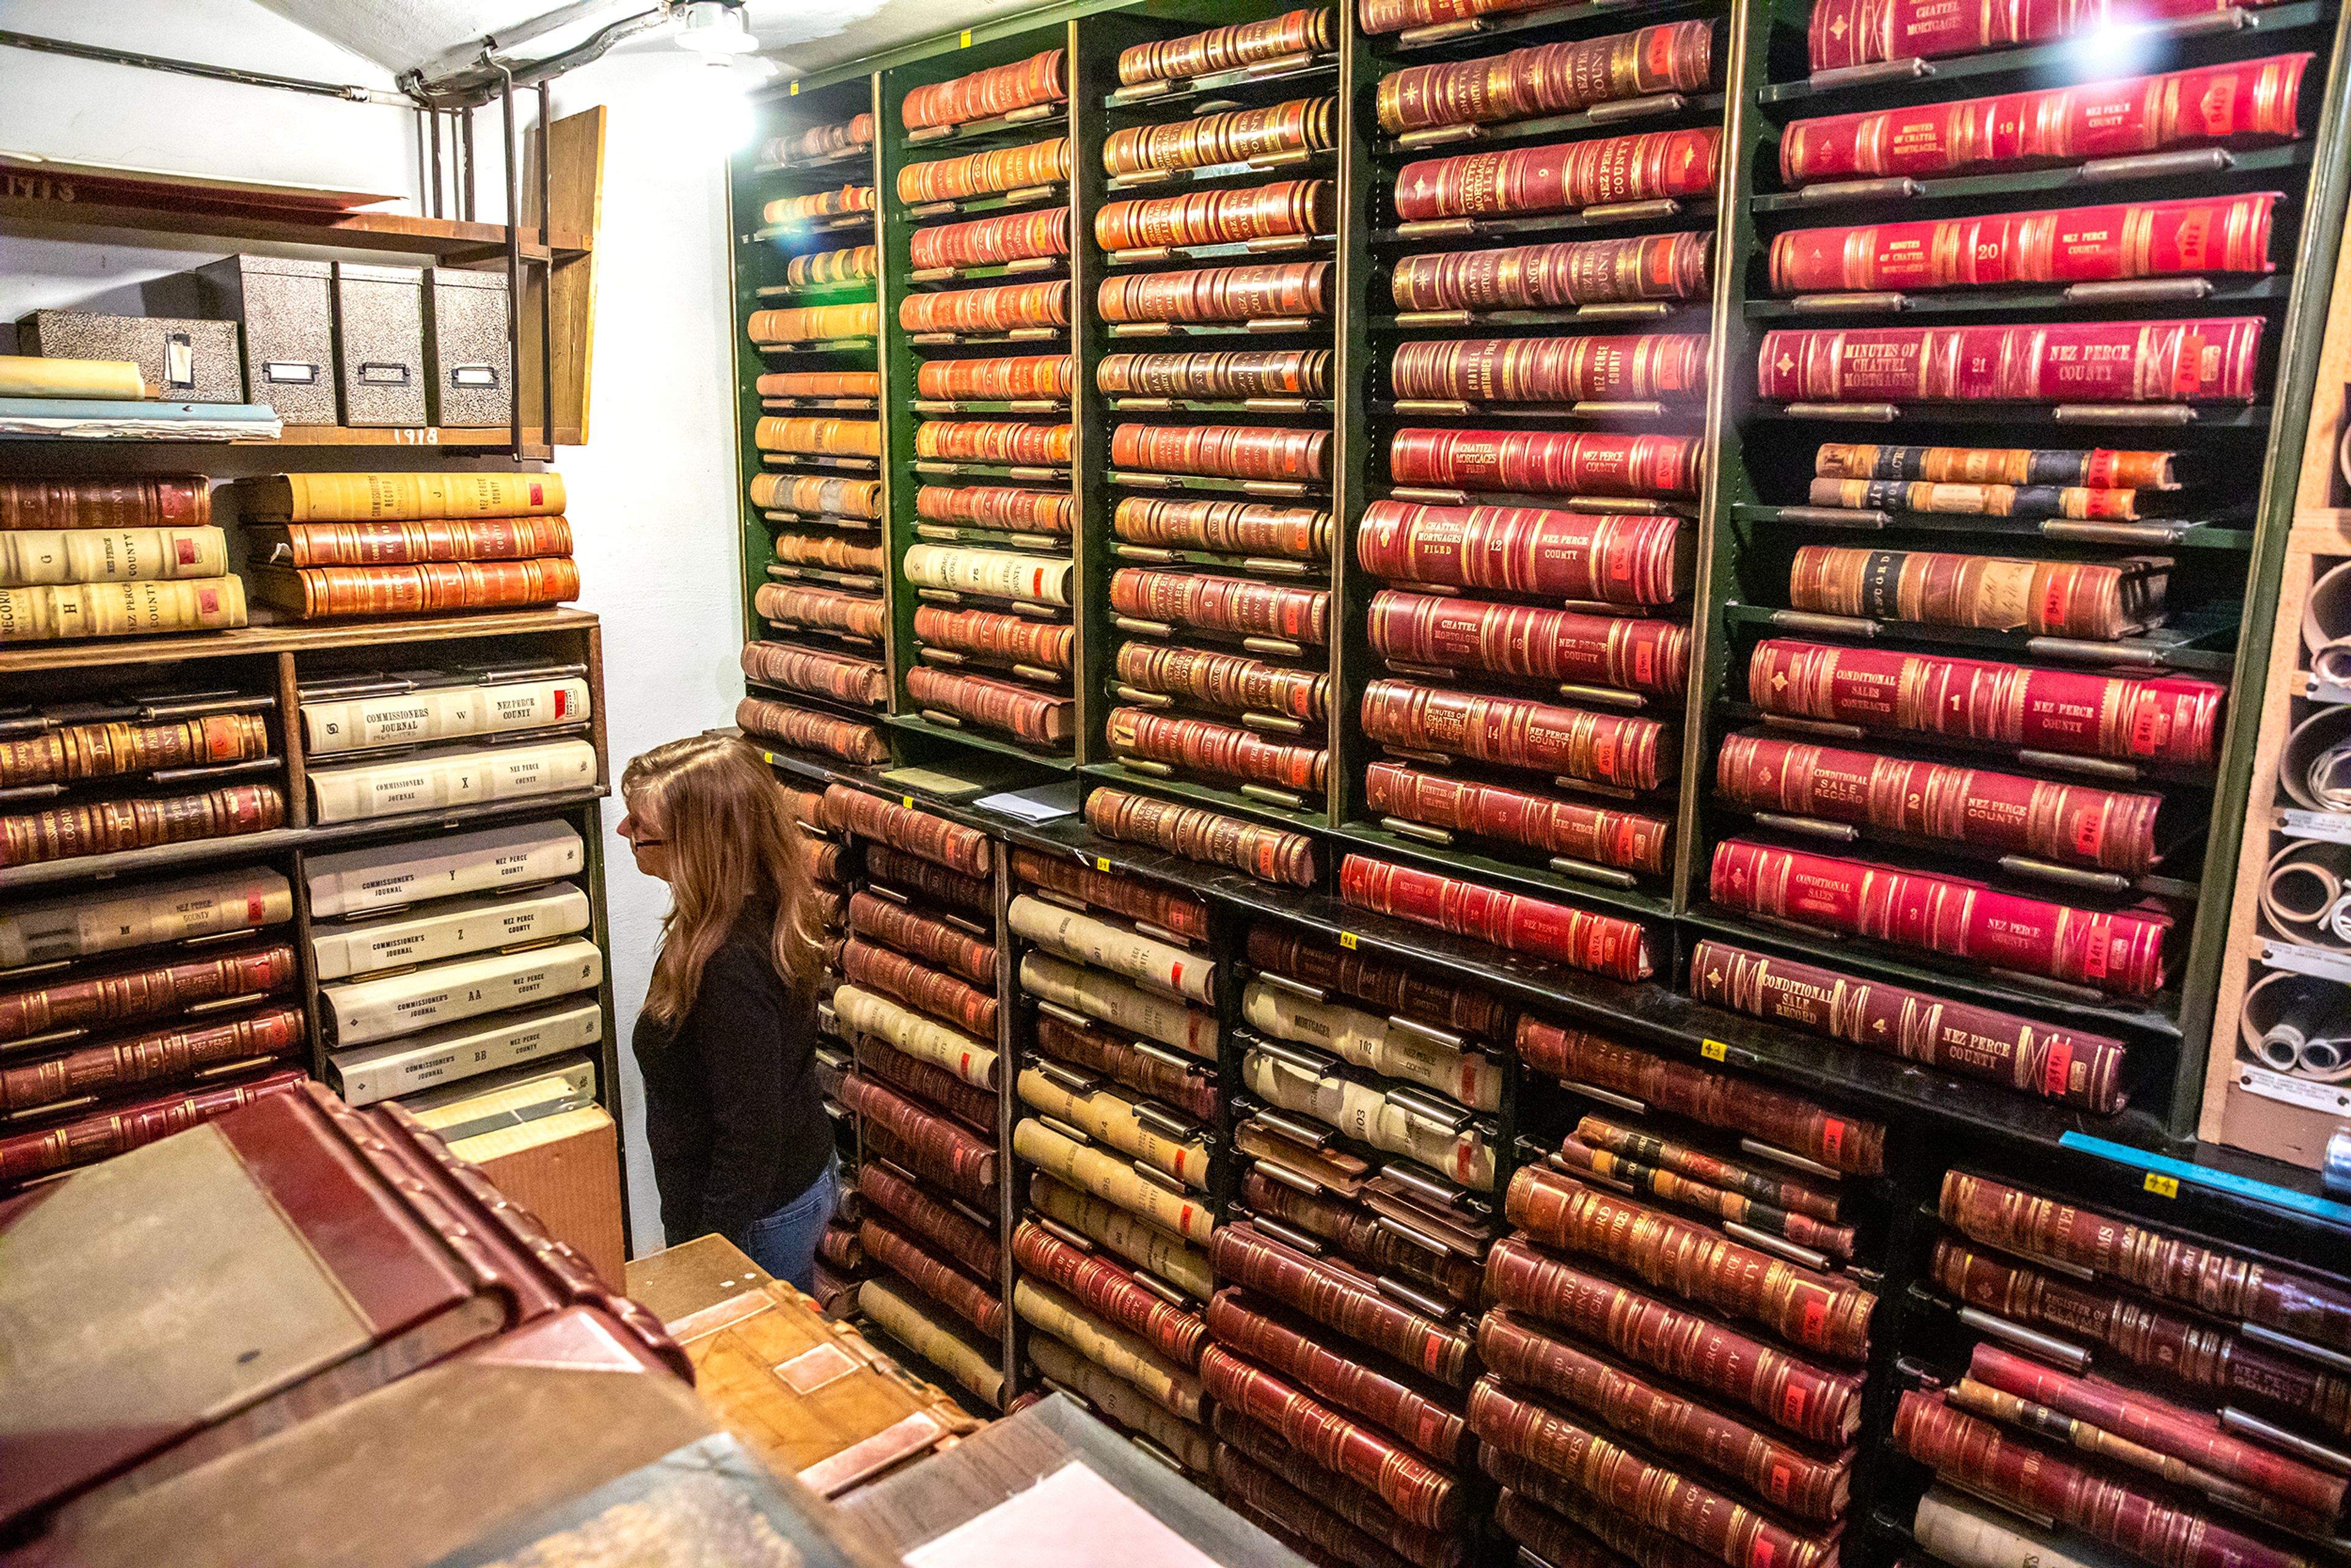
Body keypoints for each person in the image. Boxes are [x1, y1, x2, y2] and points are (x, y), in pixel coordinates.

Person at [617, 733, 835, 1288]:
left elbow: (750, 1137)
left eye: (641, 828)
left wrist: (705, 1261)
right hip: (781, 1191)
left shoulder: (729, 966)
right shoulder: (749, 906)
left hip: (753, 1222)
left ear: (702, 845)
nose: (625, 833)